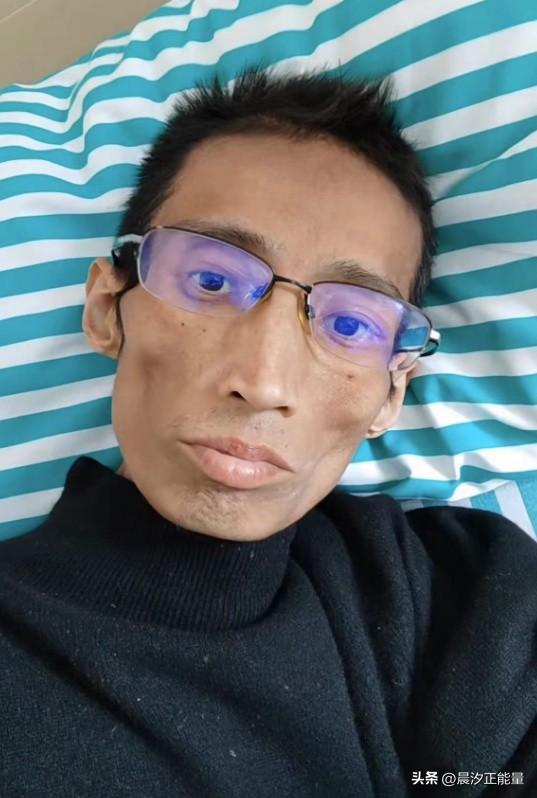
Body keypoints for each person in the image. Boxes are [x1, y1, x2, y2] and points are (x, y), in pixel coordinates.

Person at [0, 63, 535, 798]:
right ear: (105, 308)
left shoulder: (461, 596)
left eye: (352, 324)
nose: (263, 381)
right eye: (211, 281)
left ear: (391, 394)